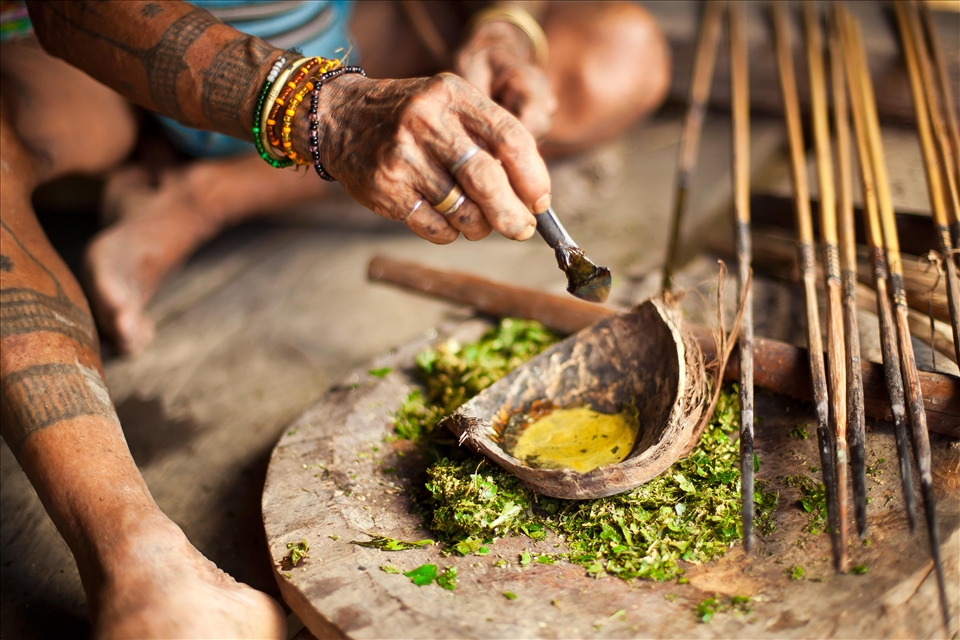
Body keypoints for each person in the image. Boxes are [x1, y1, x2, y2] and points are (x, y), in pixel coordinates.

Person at [0, 1, 668, 636]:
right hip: (93, 67)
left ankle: (199, 199)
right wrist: (331, 111)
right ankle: (134, 555)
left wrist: (505, 26)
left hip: (334, 36)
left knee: (617, 54)